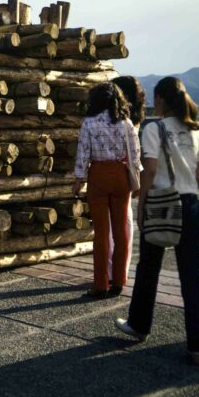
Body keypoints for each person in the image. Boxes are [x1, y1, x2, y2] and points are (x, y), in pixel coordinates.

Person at [115, 76, 199, 366]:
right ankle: (198, 346)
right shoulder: (196, 131)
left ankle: (139, 325)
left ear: (161, 100)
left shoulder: (155, 128)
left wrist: (141, 206)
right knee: (192, 276)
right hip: (191, 203)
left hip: (163, 203)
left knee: (149, 267)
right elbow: (198, 175)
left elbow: (150, 170)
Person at [72, 81, 141, 298]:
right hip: (121, 176)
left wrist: (78, 179)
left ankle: (101, 285)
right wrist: (136, 179)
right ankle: (119, 281)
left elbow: (83, 153)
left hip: (99, 176)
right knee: (121, 231)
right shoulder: (126, 123)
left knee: (101, 234)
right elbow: (135, 154)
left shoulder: (89, 123)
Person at [107, 76, 146, 284]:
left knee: (110, 225)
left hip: (113, 171)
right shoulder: (136, 117)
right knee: (125, 222)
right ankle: (122, 271)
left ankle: (111, 271)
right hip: (127, 173)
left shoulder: (118, 117)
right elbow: (136, 154)